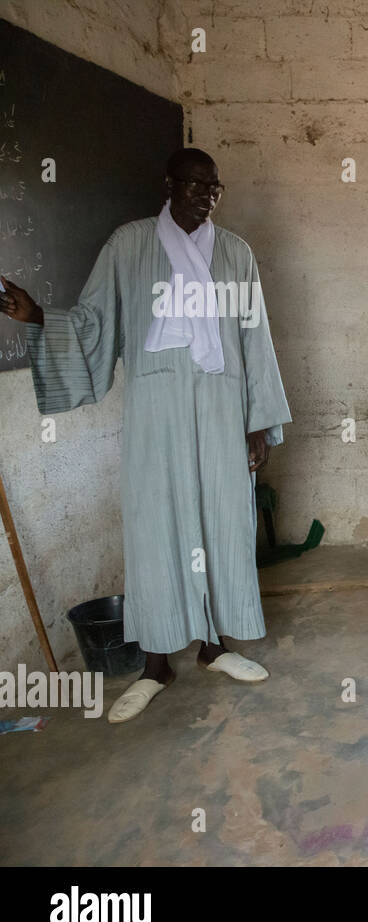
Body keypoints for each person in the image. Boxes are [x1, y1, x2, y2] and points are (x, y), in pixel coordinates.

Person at [1, 148, 291, 723]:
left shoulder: (236, 254)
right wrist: (39, 317)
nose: (205, 195)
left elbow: (256, 339)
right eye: (193, 185)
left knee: (220, 521)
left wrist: (258, 422)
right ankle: (155, 665)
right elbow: (93, 321)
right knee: (156, 526)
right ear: (168, 185)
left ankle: (214, 647)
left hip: (220, 406)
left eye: (214, 187)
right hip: (155, 413)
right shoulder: (129, 245)